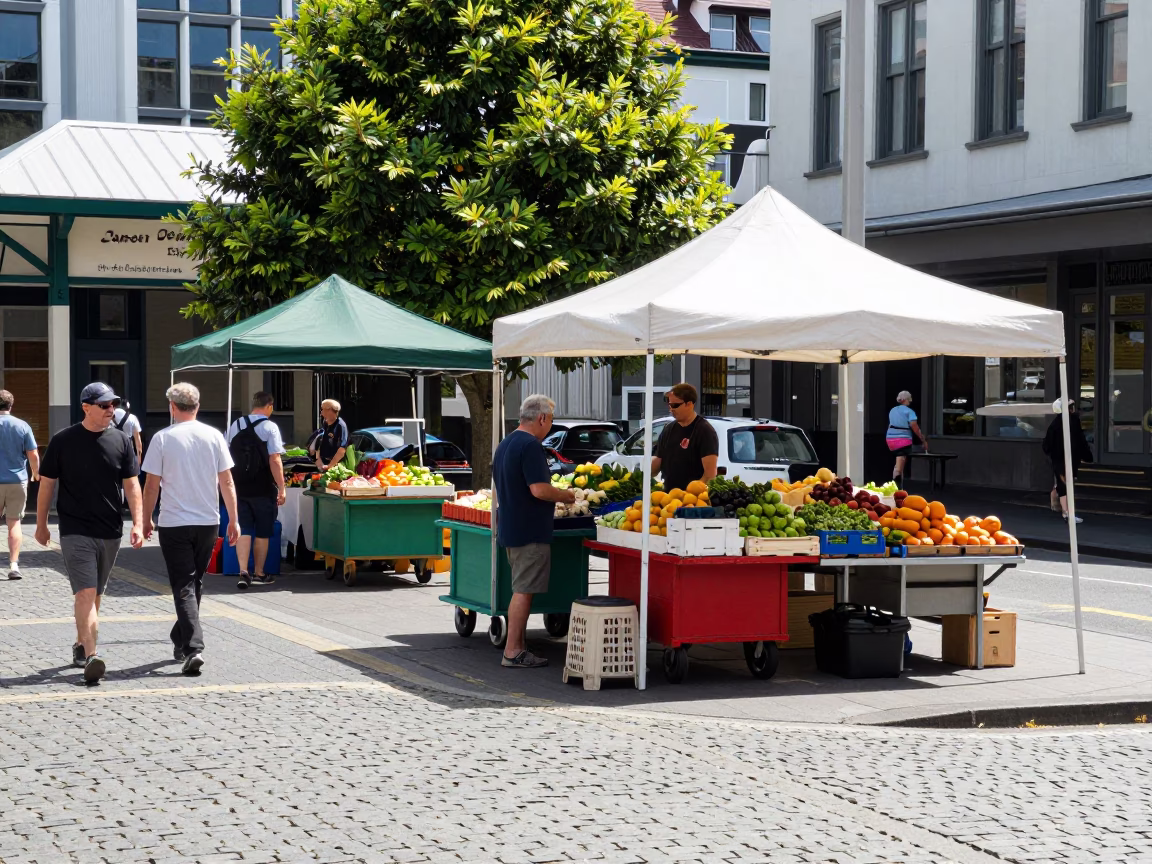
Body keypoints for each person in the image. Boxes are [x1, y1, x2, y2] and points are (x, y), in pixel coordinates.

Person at [35, 382, 144, 683]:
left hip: (110, 528)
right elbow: (46, 483)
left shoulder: (121, 441)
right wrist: (42, 523)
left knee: (95, 595)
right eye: (105, 405)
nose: (112, 409)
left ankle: (81, 644)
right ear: (86, 407)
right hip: (74, 529)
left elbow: (132, 485)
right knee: (85, 591)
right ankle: (93, 656)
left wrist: (138, 522)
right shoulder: (63, 440)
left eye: (114, 404)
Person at [141, 383, 240, 675]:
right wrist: (233, 518)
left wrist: (146, 517)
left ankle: (193, 647)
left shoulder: (162, 438)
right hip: (208, 520)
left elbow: (151, 484)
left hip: (174, 522)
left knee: (184, 584)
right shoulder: (214, 436)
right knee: (195, 582)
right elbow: (227, 481)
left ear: (172, 407)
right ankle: (180, 637)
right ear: (197, 406)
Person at [491, 394, 576, 669]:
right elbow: (539, 489)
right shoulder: (530, 446)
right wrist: (566, 495)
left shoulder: (506, 443)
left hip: (512, 526)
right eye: (551, 420)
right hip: (530, 531)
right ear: (541, 418)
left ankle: (518, 646)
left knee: (521, 589)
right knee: (524, 591)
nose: (550, 425)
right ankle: (513, 650)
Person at [226, 390, 287, 589]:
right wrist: (282, 487)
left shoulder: (236, 424)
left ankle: (243, 571)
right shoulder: (270, 427)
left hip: (239, 486)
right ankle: (260, 573)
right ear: (269, 406)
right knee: (262, 531)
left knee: (242, 528)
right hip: (263, 487)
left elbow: (226, 456)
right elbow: (275, 459)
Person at [651, 383, 718, 493]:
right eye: (669, 405)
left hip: (692, 502)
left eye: (675, 405)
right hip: (668, 499)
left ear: (689, 404)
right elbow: (658, 461)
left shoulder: (705, 431)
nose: (671, 409)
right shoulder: (668, 429)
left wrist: (689, 495)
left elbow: (709, 475)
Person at [0, 389, 39, 581]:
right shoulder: (22, 426)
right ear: (11, 405)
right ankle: (14, 565)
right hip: (17, 480)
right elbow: (33, 454)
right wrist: (35, 473)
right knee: (14, 522)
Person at [1043, 399, 1093, 524]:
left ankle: (1064, 509)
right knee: (1066, 485)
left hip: (1058, 459)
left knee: (1063, 484)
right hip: (1069, 458)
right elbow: (1080, 439)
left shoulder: (1055, 423)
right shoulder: (1073, 421)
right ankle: (1067, 513)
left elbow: (1046, 444)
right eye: (1072, 406)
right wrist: (1087, 455)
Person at [886, 390, 928, 487]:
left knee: (898, 461)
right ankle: (897, 487)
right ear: (906, 399)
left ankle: (897, 483)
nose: (910, 401)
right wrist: (923, 439)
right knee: (900, 463)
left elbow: (891, 424)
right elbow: (914, 426)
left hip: (890, 439)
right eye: (909, 399)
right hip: (903, 439)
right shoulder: (909, 411)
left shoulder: (892, 410)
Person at [309, 399, 349, 472]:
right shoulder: (325, 423)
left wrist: (330, 466)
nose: (321, 413)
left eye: (322, 409)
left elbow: (342, 450)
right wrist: (319, 462)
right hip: (322, 463)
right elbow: (318, 445)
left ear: (330, 410)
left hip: (335, 466)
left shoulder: (340, 426)